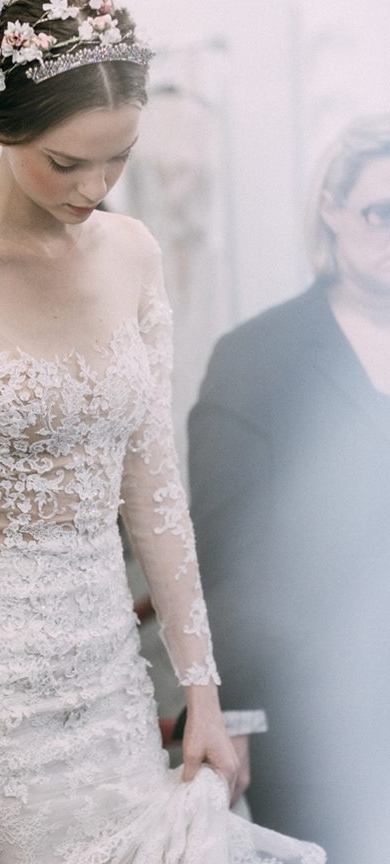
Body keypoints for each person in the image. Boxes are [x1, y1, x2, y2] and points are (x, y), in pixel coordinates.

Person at [0, 0, 324, 864]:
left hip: (110, 676)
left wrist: (202, 697)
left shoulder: (135, 254)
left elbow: (155, 494)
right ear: (1, 124)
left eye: (120, 157)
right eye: (67, 163)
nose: (94, 186)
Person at [188, 113, 390, 863]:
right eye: (381, 212)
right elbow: (228, 560)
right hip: (318, 720)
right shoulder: (257, 359)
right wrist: (236, 711)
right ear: (330, 209)